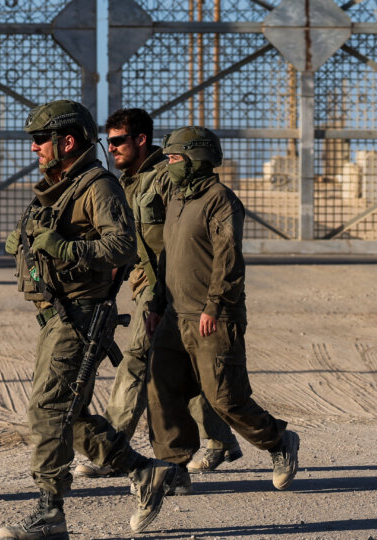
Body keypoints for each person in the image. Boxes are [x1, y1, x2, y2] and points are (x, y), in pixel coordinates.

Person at [0, 100, 175, 540]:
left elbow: (122, 247)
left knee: (47, 409)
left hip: (80, 316)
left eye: (41, 140)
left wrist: (63, 248)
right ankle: (142, 471)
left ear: (67, 141)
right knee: (69, 414)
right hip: (57, 316)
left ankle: (50, 512)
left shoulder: (98, 186)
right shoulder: (58, 186)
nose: (35, 149)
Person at [74, 109, 241, 485]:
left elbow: (184, 232)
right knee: (183, 365)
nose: (111, 148)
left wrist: (168, 291)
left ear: (141, 140)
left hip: (168, 283)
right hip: (145, 281)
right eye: (109, 141)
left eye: (118, 141)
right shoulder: (128, 181)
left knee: (137, 360)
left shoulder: (167, 177)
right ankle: (219, 438)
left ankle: (109, 450)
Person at [146, 126, 300, 491]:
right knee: (161, 389)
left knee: (225, 399)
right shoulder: (177, 199)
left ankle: (278, 440)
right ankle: (174, 467)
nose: (168, 165)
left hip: (213, 316)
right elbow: (166, 258)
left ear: (197, 158)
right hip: (173, 314)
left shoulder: (220, 200)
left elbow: (229, 259)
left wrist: (214, 306)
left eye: (174, 159)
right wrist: (156, 303)